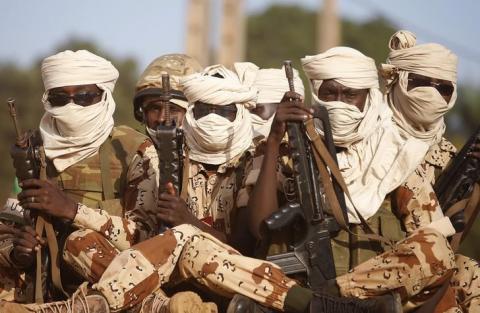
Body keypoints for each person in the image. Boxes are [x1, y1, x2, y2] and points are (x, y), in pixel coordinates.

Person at [2, 50, 161, 308]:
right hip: (45, 283)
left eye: (85, 97)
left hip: (113, 281)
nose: (72, 107)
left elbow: (146, 238)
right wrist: (17, 251)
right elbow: (8, 223)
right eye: (60, 98)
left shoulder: (132, 150)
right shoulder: (33, 151)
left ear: (104, 96)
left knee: (79, 242)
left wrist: (72, 211)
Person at [380, 30, 480, 313]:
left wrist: (476, 183)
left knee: (469, 271)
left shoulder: (447, 155)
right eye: (421, 83)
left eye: (443, 88)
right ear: (398, 80)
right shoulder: (368, 140)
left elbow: (453, 239)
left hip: (424, 269)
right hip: (369, 263)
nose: (432, 94)